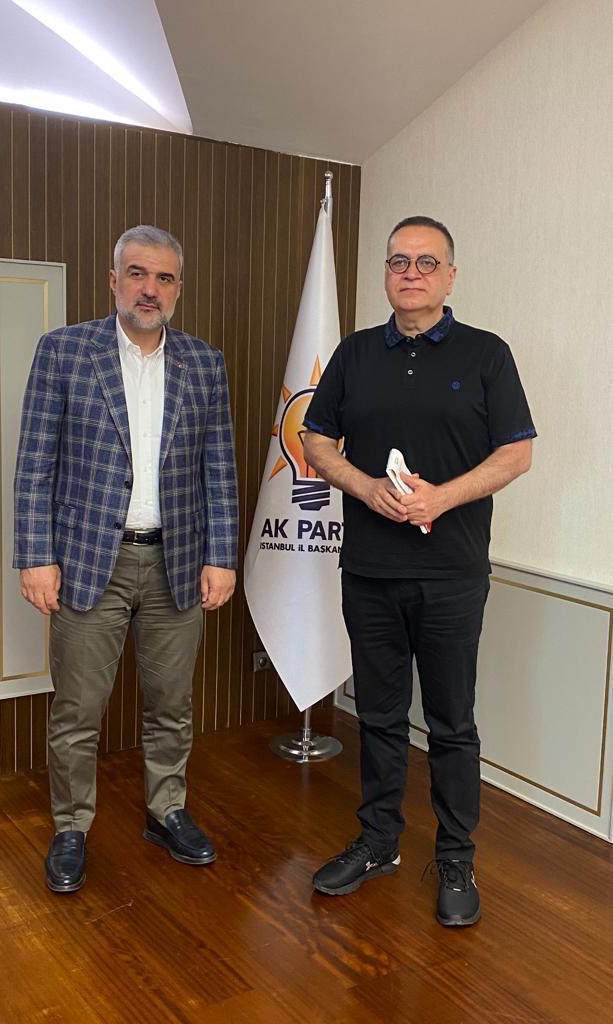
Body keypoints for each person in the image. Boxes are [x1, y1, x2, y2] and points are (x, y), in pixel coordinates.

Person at [303, 216, 535, 926]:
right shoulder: (354, 354)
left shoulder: (487, 354)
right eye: (398, 261)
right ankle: (379, 843)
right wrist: (364, 486)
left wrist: (442, 497)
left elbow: (516, 453)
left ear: (450, 276)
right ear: (385, 272)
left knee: (451, 723)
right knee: (377, 716)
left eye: (426, 262)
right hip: (369, 570)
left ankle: (456, 857)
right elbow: (315, 439)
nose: (411, 273)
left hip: (451, 575)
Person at [14, 225, 238, 894]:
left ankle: (166, 811)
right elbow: (35, 462)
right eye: (137, 274)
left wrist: (221, 556)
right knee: (78, 709)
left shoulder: (205, 363)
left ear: (178, 288)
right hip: (89, 562)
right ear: (113, 280)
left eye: (163, 278)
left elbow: (218, 467)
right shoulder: (63, 351)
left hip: (177, 560)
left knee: (171, 703)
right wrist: (35, 556)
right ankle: (70, 827)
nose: (150, 288)